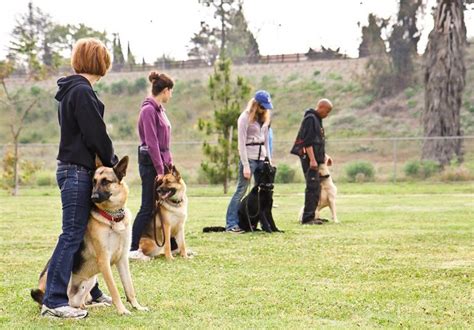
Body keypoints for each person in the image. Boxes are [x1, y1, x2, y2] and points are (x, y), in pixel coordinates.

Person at [41, 38, 118, 319]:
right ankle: (53, 300)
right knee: (73, 233)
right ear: (100, 62)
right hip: (76, 171)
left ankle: (91, 292)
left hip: (72, 169)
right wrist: (113, 163)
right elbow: (95, 135)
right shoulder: (83, 92)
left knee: (84, 233)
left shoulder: (73, 90)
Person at [129, 71, 176, 260]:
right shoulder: (148, 110)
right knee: (147, 206)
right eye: (170, 91)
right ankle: (132, 249)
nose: (171, 95)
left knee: (163, 205)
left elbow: (165, 142)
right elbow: (152, 142)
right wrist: (159, 170)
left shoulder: (160, 110)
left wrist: (169, 165)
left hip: (163, 163)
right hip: (150, 164)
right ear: (165, 91)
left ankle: (171, 246)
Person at [225, 90, 273, 233]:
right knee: (241, 191)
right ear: (256, 104)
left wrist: (269, 160)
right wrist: (245, 165)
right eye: (262, 106)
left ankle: (261, 223)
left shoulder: (265, 118)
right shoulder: (244, 118)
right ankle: (231, 224)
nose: (264, 109)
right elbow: (241, 143)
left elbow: (266, 141)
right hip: (249, 158)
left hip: (261, 158)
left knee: (262, 193)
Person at [291, 98, 333, 225]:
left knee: (316, 188)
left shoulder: (317, 119)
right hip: (310, 160)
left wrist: (324, 155)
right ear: (320, 107)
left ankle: (314, 215)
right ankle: (308, 218)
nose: (327, 115)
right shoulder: (310, 119)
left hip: (316, 159)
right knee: (312, 187)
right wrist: (313, 160)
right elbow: (307, 141)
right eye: (327, 111)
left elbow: (317, 142)